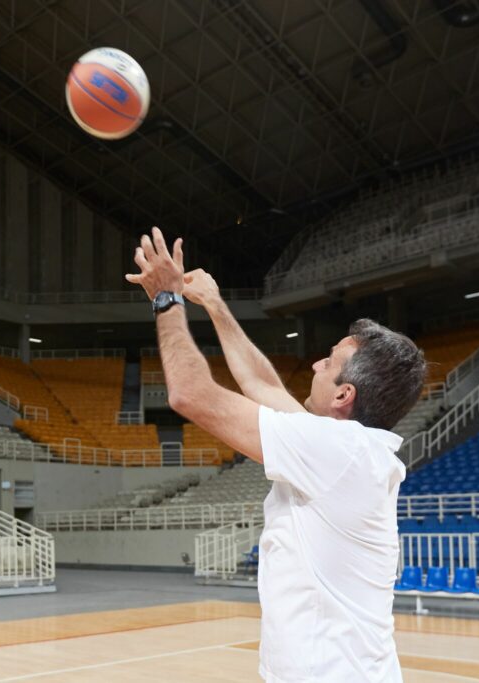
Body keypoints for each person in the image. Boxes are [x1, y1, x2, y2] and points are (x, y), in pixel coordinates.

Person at [126, 228, 426, 683]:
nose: (315, 366)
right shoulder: (347, 446)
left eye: (328, 362)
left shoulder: (337, 450)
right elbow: (264, 385)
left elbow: (190, 393)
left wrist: (167, 301)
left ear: (345, 394)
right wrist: (215, 304)